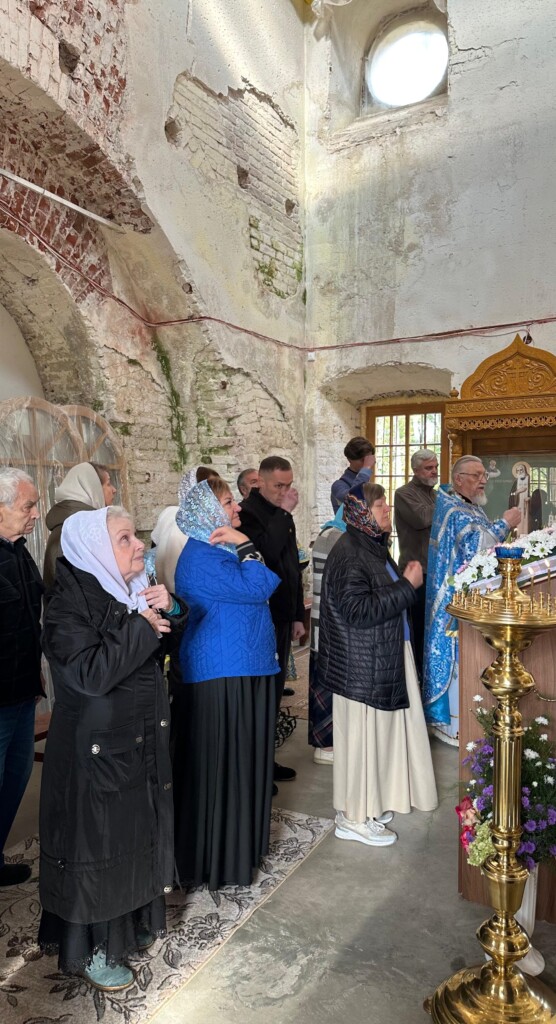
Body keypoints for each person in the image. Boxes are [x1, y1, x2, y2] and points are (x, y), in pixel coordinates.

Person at [38, 506, 186, 991]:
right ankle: (96, 947)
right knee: (100, 845)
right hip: (96, 752)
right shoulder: (68, 604)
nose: (140, 544)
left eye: (134, 536)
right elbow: (89, 674)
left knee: (133, 836)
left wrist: (171, 609)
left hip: (134, 736)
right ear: (97, 550)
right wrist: (143, 626)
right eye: (125, 539)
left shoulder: (127, 588)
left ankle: (132, 922)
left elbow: (161, 647)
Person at [172, 478, 280, 890]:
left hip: (239, 668)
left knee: (239, 766)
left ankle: (239, 852)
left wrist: (242, 546)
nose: (237, 509)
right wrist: (247, 544)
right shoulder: (202, 557)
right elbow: (261, 585)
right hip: (221, 673)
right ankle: (219, 861)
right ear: (207, 513)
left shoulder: (217, 551)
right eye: (228, 502)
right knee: (224, 770)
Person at [318, 483, 437, 847]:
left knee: (378, 742)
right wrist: (407, 586)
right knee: (360, 744)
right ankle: (353, 818)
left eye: (385, 503)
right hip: (360, 666)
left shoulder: (371, 545)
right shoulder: (350, 552)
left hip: (380, 655)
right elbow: (358, 611)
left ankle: (369, 805)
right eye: (380, 505)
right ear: (361, 513)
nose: (387, 509)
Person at [423, 455, 521, 745]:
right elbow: (474, 549)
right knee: (456, 656)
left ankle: (468, 718)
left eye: (484, 476)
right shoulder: (453, 509)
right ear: (459, 479)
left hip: (469, 596)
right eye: (477, 475)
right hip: (452, 601)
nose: (483, 480)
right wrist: (505, 523)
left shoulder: (469, 506)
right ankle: (454, 724)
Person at [239, 456, 305, 786]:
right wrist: (284, 513)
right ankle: (255, 769)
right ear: (260, 482)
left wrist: (297, 615)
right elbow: (263, 555)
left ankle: (267, 760)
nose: (284, 491)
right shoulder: (247, 514)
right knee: (261, 695)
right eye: (278, 485)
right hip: (260, 617)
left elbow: (292, 566)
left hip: (281, 614)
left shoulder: (281, 513)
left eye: (288, 485)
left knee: (275, 692)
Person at [0, 468, 43, 886]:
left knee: (15, 780)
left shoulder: (19, 552)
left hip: (23, 693)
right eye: (28, 506)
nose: (35, 514)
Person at [394, 449, 439, 679]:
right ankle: (417, 679)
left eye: (436, 467)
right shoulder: (404, 493)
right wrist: (448, 503)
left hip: (436, 571)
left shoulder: (435, 495)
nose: (434, 472)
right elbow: (423, 518)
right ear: (415, 470)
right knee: (418, 629)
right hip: (416, 572)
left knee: (434, 629)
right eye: (429, 468)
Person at [308, 505, 346, 765]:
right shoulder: (334, 537)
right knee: (327, 686)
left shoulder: (334, 532)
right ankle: (325, 746)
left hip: (328, 624)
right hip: (328, 626)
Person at [43, 462, 116, 591]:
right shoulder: (76, 532)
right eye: (108, 484)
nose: (114, 490)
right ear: (93, 488)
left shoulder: (84, 527)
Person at [330, 436, 375, 513]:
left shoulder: (367, 482)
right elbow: (353, 499)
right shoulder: (338, 485)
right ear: (350, 460)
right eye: (363, 460)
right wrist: (366, 469)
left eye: (368, 460)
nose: (367, 463)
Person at [509, 461, 531, 537]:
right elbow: (511, 494)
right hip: (518, 504)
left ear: (525, 470)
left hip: (527, 505)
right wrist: (518, 491)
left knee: (526, 520)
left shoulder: (529, 480)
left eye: (521, 470)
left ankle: (526, 535)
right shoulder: (516, 482)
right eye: (518, 470)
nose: (520, 472)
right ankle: (518, 536)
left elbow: (534, 493)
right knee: (519, 520)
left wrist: (530, 498)